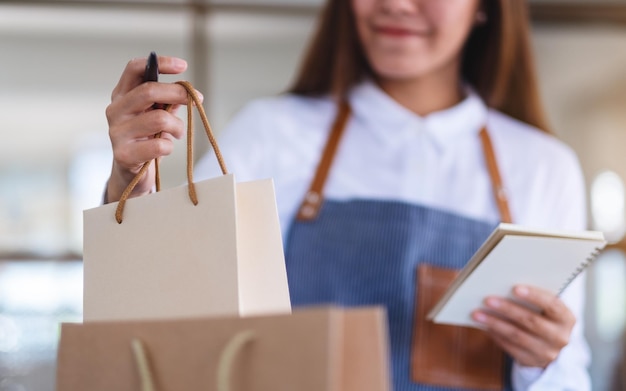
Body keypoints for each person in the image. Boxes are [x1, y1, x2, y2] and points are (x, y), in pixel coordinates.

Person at [104, 0, 591, 389]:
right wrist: (131, 178)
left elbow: (568, 373)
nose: (396, 5)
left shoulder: (544, 167)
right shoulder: (274, 132)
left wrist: (543, 361)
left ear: (486, 7)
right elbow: (170, 302)